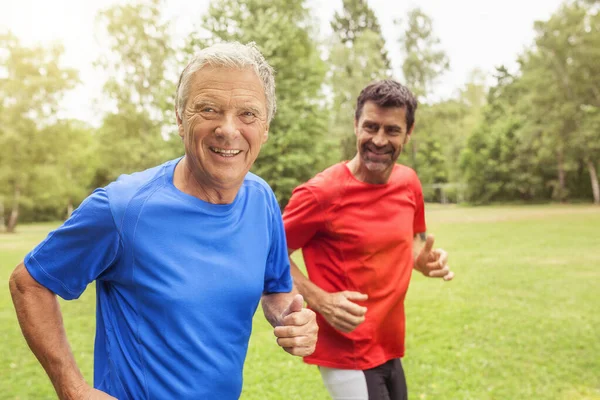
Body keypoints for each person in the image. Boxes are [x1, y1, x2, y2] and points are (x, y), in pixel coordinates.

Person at [9, 42, 317, 400]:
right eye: (208, 109)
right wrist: (73, 389)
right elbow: (28, 283)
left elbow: (277, 287)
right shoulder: (124, 208)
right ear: (180, 118)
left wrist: (289, 319)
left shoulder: (261, 198)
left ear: (265, 127)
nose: (228, 129)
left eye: (248, 114)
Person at [282, 80, 454, 400]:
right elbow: (269, 252)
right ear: (356, 125)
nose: (378, 140)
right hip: (346, 349)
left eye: (391, 130)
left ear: (408, 132)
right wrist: (320, 300)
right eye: (370, 127)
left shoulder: (408, 182)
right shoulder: (321, 193)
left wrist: (422, 260)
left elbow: (411, 241)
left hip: (388, 342)